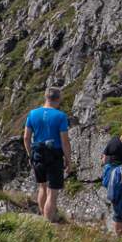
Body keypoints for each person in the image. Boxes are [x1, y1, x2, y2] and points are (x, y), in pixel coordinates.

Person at [23, 88, 71, 223]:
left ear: (45, 97)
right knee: (53, 192)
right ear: (58, 99)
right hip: (54, 155)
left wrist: (30, 155)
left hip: (37, 153)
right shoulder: (61, 116)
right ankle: (48, 223)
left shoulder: (32, 114)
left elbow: (26, 137)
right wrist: (68, 160)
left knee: (42, 187)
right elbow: (65, 141)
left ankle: (42, 219)